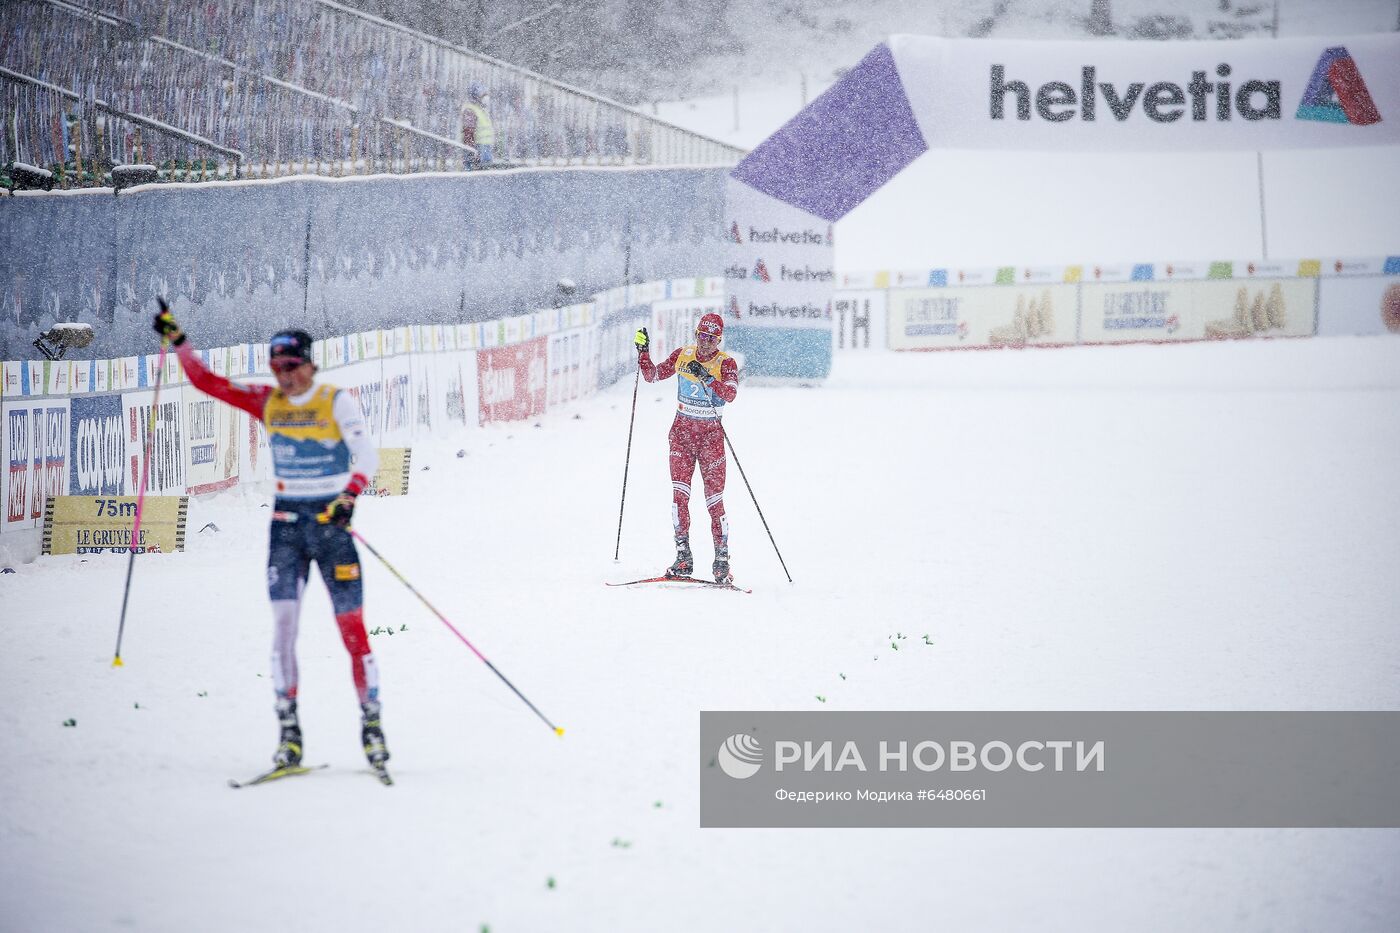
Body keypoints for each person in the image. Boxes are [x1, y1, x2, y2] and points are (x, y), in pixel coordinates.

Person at [153, 306, 389, 772]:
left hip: (330, 526)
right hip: (286, 528)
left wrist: (349, 497)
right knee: (283, 630)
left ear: (310, 364)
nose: (285, 378)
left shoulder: (335, 400)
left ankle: (371, 723)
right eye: (277, 369)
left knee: (352, 632)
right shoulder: (267, 401)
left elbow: (366, 455)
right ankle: (289, 734)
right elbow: (208, 383)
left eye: (292, 368)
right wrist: (180, 341)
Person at [635, 312, 739, 584]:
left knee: (714, 501)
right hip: (682, 435)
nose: (705, 343)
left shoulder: (725, 363)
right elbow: (653, 375)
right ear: (696, 335)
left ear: (719, 340)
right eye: (701, 336)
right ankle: (683, 557)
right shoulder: (683, 355)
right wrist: (643, 353)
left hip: (710, 438)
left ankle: (721, 560)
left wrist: (706, 377)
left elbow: (730, 394)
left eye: (711, 339)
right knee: (679, 497)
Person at [461, 82, 495, 169]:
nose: (485, 98)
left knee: (485, 176)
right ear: (476, 96)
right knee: (478, 175)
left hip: (484, 147)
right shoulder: (470, 110)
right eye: (482, 95)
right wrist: (472, 152)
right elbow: (468, 133)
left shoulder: (480, 109)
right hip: (478, 148)